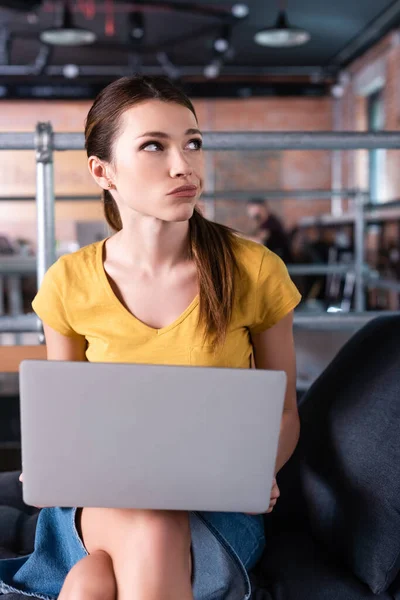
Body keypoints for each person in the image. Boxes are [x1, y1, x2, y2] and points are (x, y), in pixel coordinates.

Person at [0, 75, 301, 600]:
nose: (184, 165)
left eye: (192, 142)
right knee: (150, 528)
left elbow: (283, 413)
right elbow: (65, 422)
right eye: (153, 147)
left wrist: (259, 471)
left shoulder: (254, 269)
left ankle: (85, 582)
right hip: (101, 506)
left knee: (95, 582)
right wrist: (52, 468)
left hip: (215, 506)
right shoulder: (69, 281)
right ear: (103, 171)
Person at [247, 198, 293, 263]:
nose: (249, 212)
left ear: (261, 208)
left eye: (251, 209)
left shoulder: (270, 223)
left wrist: (238, 237)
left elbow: (259, 241)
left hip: (280, 264)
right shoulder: (263, 223)